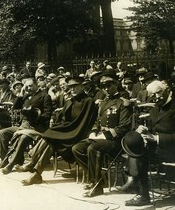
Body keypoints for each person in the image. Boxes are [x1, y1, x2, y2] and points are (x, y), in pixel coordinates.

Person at [18, 77, 98, 185]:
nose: (72, 89)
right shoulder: (71, 101)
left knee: (50, 136)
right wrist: (59, 126)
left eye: (75, 87)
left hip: (77, 135)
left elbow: (82, 124)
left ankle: (32, 164)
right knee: (50, 139)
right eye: (70, 87)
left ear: (82, 86)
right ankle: (36, 174)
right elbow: (62, 118)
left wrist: (61, 129)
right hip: (67, 133)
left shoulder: (88, 101)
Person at [72, 69, 133, 197]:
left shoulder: (123, 102)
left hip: (116, 141)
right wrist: (94, 132)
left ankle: (97, 186)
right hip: (101, 137)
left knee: (92, 148)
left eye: (109, 85)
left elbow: (124, 127)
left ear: (116, 83)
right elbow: (96, 121)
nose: (106, 88)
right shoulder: (104, 101)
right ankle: (96, 178)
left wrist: (105, 135)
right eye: (103, 86)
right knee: (77, 148)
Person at [119, 80, 175, 206]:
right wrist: (143, 129)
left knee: (138, 156)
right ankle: (139, 190)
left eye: (157, 94)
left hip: (171, 149)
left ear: (167, 90)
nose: (155, 98)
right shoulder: (155, 108)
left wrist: (157, 138)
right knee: (135, 149)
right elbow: (152, 126)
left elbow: (158, 134)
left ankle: (139, 189)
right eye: (152, 95)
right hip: (157, 149)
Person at [0, 78, 52, 170]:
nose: (29, 88)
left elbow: (47, 115)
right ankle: (3, 160)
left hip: (36, 126)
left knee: (23, 137)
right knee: (3, 133)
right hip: (23, 125)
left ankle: (12, 163)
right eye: (26, 86)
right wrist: (20, 94)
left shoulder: (44, 96)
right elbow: (15, 106)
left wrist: (35, 115)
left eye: (31, 86)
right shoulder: (25, 96)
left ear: (36, 85)